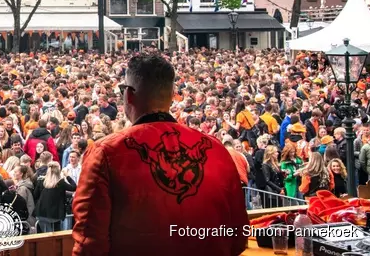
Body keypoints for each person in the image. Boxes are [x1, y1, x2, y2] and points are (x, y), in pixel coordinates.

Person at [72, 54, 248, 256]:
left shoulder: (105, 153)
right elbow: (238, 237)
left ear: (129, 95)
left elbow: (89, 244)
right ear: (172, 95)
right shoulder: (215, 149)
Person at [33, 162, 75, 233]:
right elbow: (74, 187)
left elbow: (35, 195)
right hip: (55, 215)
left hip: (41, 213)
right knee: (55, 237)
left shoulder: (42, 181)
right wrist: (67, 175)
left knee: (45, 236)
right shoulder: (60, 183)